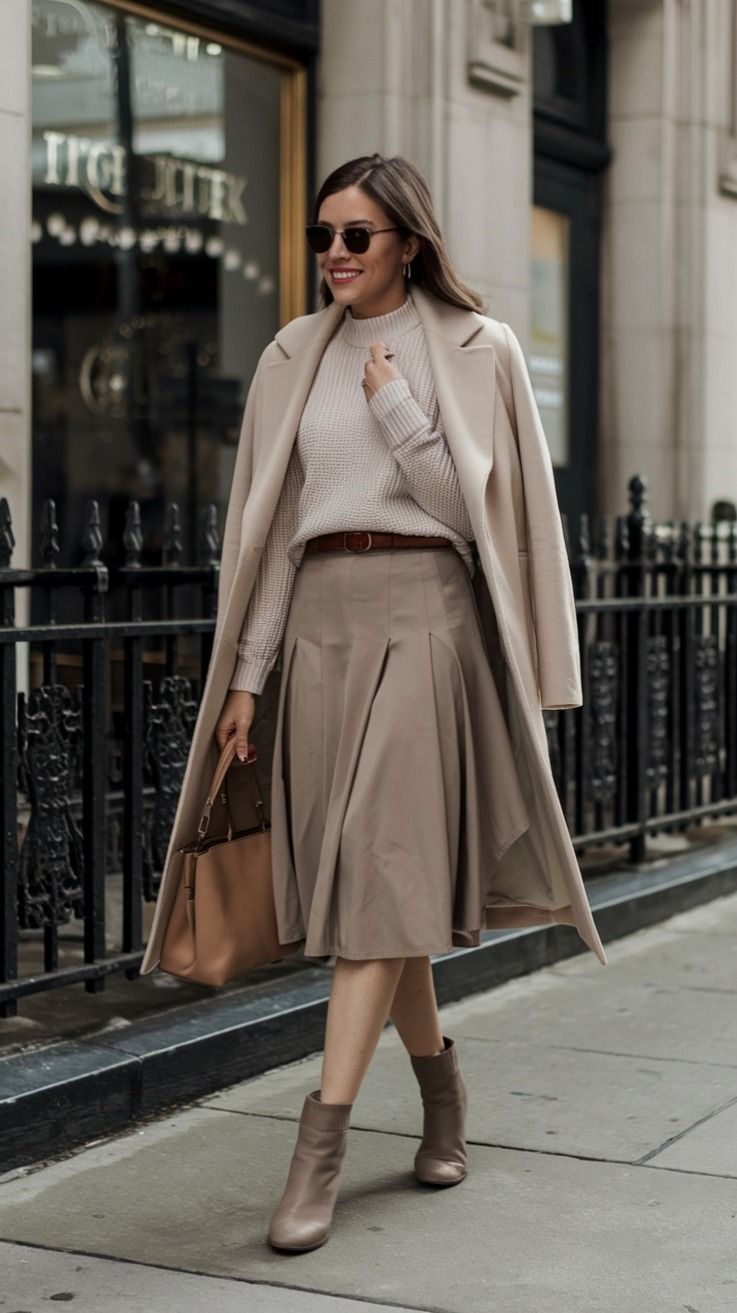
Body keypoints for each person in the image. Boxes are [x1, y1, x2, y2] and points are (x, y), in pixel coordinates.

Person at [212, 152, 551, 1253]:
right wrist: (250, 674)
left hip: (423, 617)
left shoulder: (475, 344)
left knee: (370, 878)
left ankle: (317, 1147)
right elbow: (275, 531)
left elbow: (470, 514)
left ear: (407, 238)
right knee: (377, 886)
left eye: (356, 236)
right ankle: (443, 1094)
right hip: (319, 623)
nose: (334, 256)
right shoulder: (292, 355)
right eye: (322, 237)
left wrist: (400, 409)